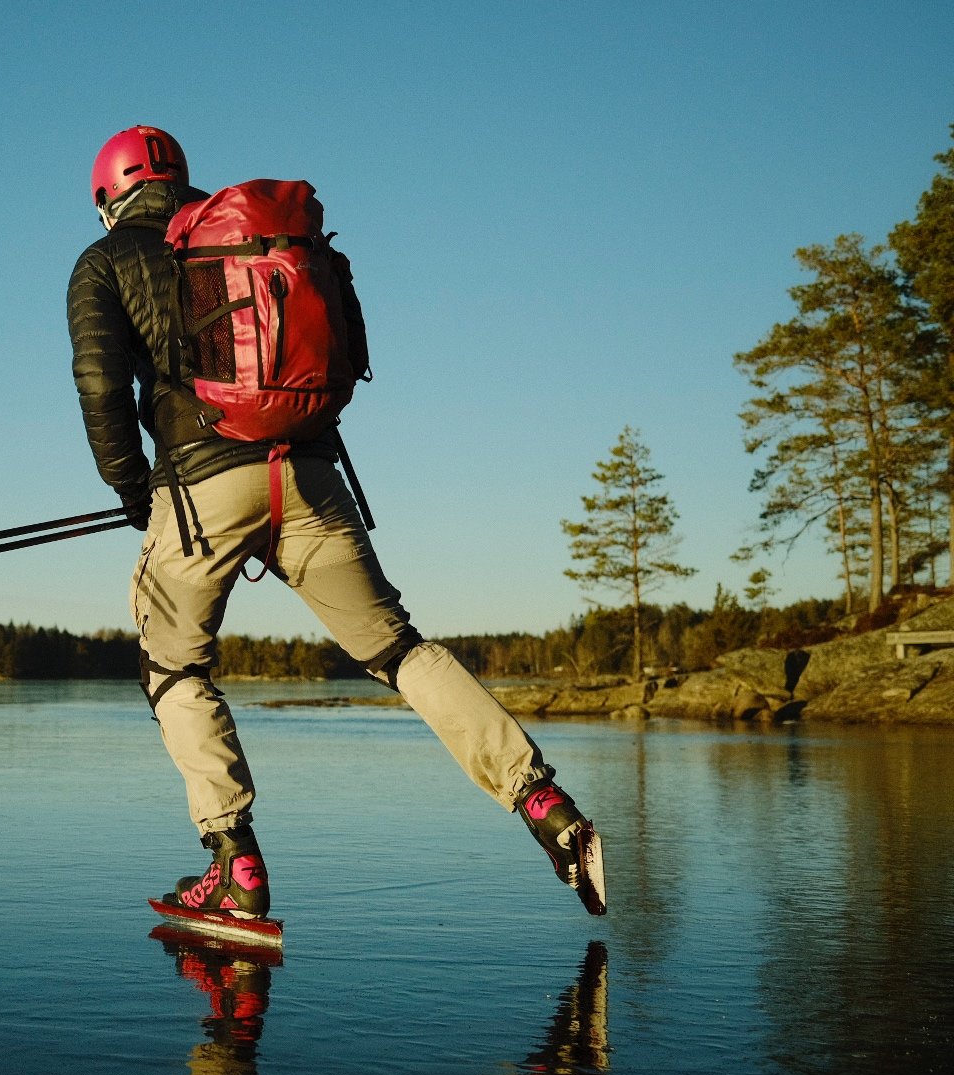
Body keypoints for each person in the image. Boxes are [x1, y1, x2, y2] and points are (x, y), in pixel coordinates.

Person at [66, 125, 606, 920]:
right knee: (399, 649)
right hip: (312, 476)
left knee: (174, 668)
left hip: (199, 488)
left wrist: (132, 492)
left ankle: (235, 866)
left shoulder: (104, 261)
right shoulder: (248, 241)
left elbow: (101, 389)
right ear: (181, 179)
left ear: (108, 198)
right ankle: (548, 809)